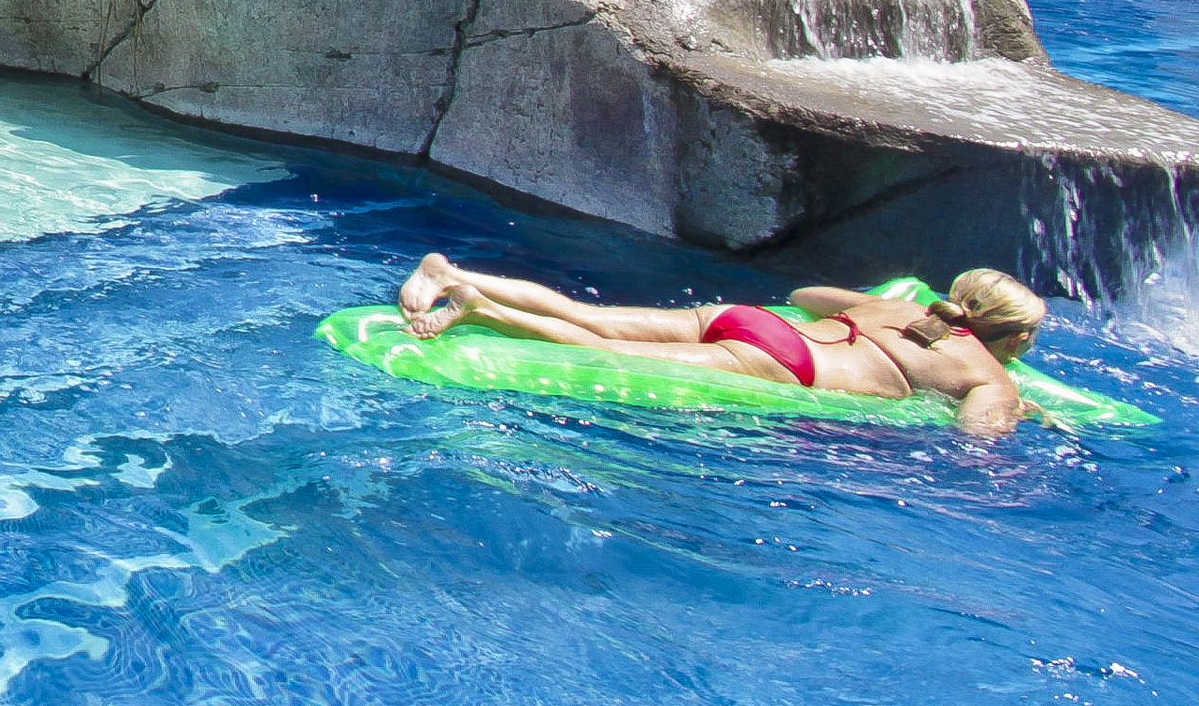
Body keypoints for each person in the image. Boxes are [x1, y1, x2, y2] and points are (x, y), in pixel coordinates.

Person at [393, 253, 1048, 438]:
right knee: (604, 352)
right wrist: (1018, 411)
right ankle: (484, 313)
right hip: (783, 363)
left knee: (592, 316)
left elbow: (806, 295)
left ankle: (450, 273)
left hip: (749, 321)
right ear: (1015, 338)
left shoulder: (901, 306)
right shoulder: (991, 377)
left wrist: (872, 308)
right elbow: (976, 444)